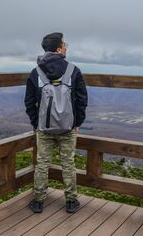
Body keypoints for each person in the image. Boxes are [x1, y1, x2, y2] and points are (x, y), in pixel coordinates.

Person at [24, 32, 88, 213]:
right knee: (68, 163)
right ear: (59, 49)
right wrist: (78, 121)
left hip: (44, 127)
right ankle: (71, 201)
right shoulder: (73, 70)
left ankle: (38, 201)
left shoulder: (36, 72)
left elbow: (29, 101)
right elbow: (82, 99)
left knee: (42, 163)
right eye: (65, 44)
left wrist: (36, 122)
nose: (67, 46)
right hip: (67, 127)